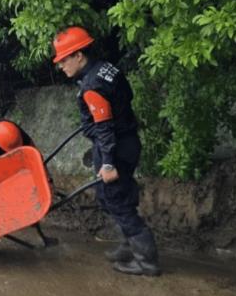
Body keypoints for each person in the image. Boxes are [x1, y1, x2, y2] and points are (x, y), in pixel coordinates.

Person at [52, 26, 161, 276]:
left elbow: (104, 127)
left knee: (116, 201)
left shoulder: (92, 85)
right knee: (108, 196)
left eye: (64, 59)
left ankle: (147, 261)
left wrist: (108, 164)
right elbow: (127, 97)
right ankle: (128, 246)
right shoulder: (107, 69)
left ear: (79, 55)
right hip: (126, 141)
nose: (61, 66)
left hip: (115, 147)